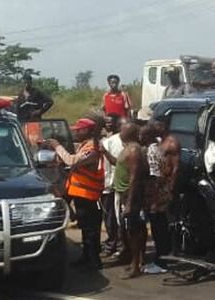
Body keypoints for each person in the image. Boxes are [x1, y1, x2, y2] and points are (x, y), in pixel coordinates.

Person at [43, 118, 105, 270]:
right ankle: (86, 257)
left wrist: (57, 146)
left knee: (90, 230)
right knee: (85, 228)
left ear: (87, 131)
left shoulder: (92, 148)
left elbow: (72, 161)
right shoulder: (86, 145)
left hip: (89, 195)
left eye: (79, 130)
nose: (75, 132)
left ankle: (93, 261)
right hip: (81, 194)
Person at [141, 121, 180, 274]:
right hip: (158, 187)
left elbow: (175, 168)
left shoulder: (171, 142)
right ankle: (161, 257)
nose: (153, 128)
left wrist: (169, 189)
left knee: (160, 225)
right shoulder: (160, 142)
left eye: (156, 125)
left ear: (163, 126)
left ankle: (162, 262)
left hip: (163, 189)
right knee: (157, 224)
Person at [113, 122, 147, 279]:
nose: (120, 132)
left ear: (130, 133)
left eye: (122, 130)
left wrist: (129, 203)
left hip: (131, 195)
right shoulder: (127, 148)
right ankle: (137, 261)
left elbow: (134, 178)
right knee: (130, 230)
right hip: (124, 194)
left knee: (133, 231)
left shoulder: (134, 150)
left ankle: (135, 266)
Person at [99, 114, 125, 257]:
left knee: (117, 217)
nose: (108, 124)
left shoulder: (112, 142)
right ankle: (113, 243)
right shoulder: (109, 141)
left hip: (118, 185)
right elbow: (105, 166)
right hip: (110, 185)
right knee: (111, 217)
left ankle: (117, 245)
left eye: (111, 122)